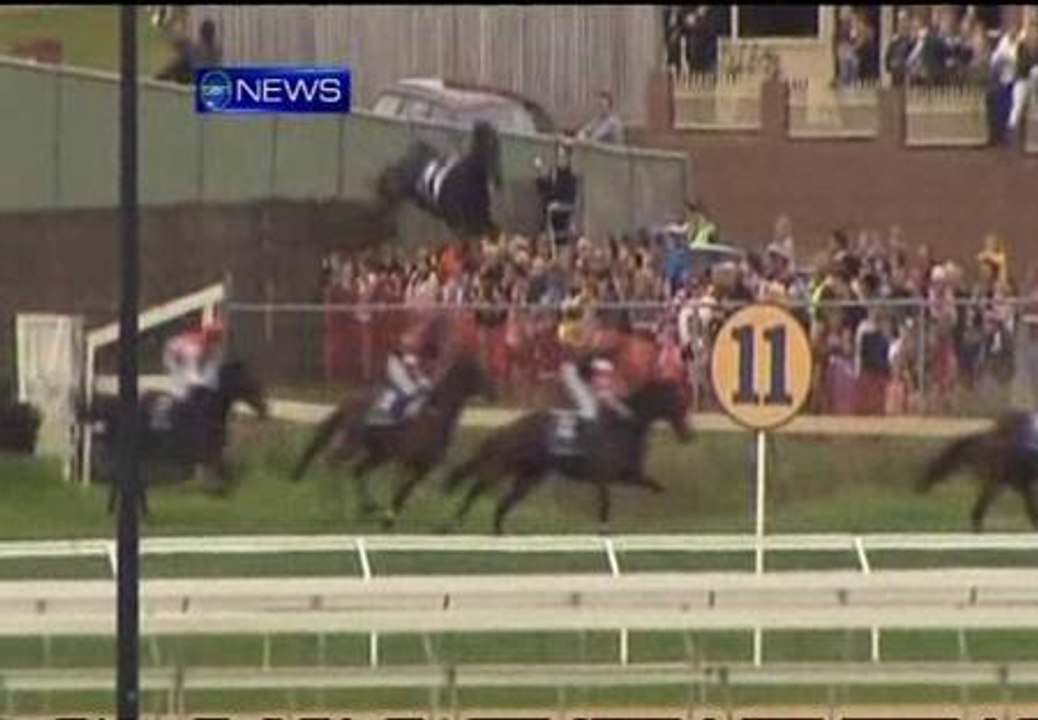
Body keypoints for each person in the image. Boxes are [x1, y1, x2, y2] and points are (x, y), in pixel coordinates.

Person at [155, 318, 226, 430]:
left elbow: (213, 373)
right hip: (177, 361)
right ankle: (162, 417)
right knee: (184, 391)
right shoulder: (191, 347)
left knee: (209, 386)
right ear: (207, 335)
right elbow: (192, 373)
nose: (216, 341)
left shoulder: (216, 350)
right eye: (214, 337)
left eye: (218, 338)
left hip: (192, 366)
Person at [375, 315, 448, 423]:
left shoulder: (424, 343)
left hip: (407, 364)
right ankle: (393, 416)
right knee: (410, 390)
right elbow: (410, 367)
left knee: (425, 387)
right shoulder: (411, 342)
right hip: (398, 364)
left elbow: (421, 366)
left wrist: (423, 380)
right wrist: (420, 379)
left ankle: (428, 412)